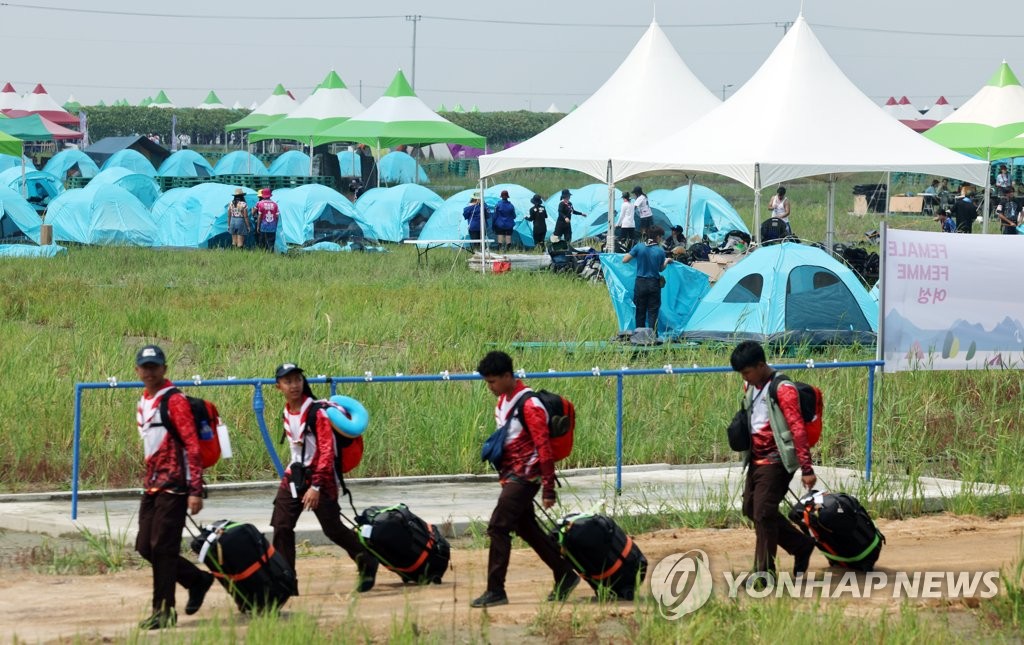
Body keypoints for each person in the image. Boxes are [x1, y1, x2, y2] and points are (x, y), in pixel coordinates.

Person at [470, 351, 579, 608]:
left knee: (498, 527)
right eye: (487, 382)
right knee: (526, 528)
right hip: (510, 477)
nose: (490, 387)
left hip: (526, 477)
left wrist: (548, 488)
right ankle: (564, 573)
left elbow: (544, 447)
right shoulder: (502, 403)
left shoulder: (530, 405)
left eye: (493, 382)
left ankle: (496, 590)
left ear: (508, 376)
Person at [270, 363, 379, 594]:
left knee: (333, 529)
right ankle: (286, 581)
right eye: (288, 381)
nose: (294, 385)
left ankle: (367, 561)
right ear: (278, 386)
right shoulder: (286, 412)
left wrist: (316, 486)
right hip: (295, 477)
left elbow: (327, 452)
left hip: (321, 479)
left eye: (298, 379)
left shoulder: (317, 413)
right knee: (281, 526)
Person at [133, 345, 214, 630]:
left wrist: (195, 489)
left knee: (163, 548)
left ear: (164, 369)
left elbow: (192, 446)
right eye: (145, 366)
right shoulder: (144, 401)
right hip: (152, 484)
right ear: (137, 371)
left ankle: (163, 611)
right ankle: (197, 579)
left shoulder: (174, 401)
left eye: (155, 366)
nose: (150, 371)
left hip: (176, 485)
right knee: (145, 546)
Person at [730, 340, 816, 585]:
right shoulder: (752, 385)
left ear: (760, 365)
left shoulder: (783, 389)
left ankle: (763, 573)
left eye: (746, 371)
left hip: (776, 461)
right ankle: (801, 545)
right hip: (756, 460)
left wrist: (807, 468)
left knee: (764, 513)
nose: (744, 377)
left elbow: (798, 427)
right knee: (750, 509)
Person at [622, 225, 669, 331]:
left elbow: (624, 260)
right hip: (654, 284)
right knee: (653, 311)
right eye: (661, 237)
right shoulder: (660, 251)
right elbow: (661, 269)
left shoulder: (639, 247)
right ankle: (652, 336)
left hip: (640, 283)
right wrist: (667, 261)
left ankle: (639, 335)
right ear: (657, 237)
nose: (661, 239)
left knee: (640, 310)